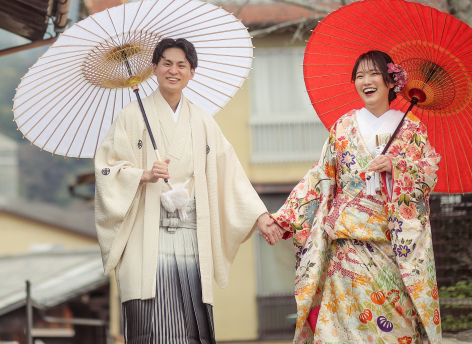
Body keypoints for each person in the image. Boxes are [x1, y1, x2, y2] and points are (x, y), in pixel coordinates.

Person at [94, 38, 278, 343]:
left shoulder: (203, 121)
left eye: (182, 65)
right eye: (166, 63)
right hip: (145, 235)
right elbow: (107, 169)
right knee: (151, 324)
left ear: (192, 72)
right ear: (154, 69)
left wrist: (259, 215)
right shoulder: (130, 115)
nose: (173, 70)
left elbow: (228, 170)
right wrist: (145, 174)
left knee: (191, 323)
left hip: (190, 231)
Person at [264, 50, 442, 344]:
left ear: (390, 81)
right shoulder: (343, 127)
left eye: (374, 74)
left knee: (396, 329)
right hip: (346, 250)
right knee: (342, 332)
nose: (366, 81)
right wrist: (283, 219)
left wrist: (397, 166)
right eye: (359, 76)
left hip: (391, 249)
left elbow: (428, 172)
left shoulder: (411, 129)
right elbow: (320, 176)